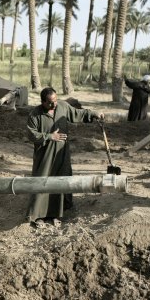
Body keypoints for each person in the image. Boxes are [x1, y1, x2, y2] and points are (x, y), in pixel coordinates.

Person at [26, 87, 104, 225]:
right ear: (43, 102)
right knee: (43, 181)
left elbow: (78, 113)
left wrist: (93, 113)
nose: (54, 104)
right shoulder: (35, 115)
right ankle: (38, 215)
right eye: (50, 102)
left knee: (61, 179)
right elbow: (31, 134)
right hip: (45, 157)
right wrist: (50, 136)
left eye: (55, 100)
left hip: (62, 153)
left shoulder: (62, 106)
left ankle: (57, 214)